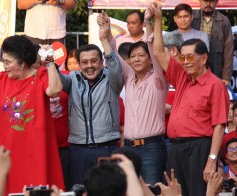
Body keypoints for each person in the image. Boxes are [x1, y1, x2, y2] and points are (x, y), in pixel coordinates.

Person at [151, 2, 229, 195]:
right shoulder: (182, 77)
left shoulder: (215, 84)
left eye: (190, 58)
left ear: (203, 58)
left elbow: (219, 125)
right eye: (182, 58)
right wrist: (158, 19)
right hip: (175, 148)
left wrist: (212, 159)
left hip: (199, 148)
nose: (185, 62)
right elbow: (159, 52)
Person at [0, 35, 64, 193]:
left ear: (23, 62)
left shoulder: (40, 76)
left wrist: (50, 64)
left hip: (36, 151)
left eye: (7, 62)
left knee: (38, 190)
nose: (3, 66)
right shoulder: (3, 79)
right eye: (3, 61)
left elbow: (54, 90)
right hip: (9, 152)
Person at [98, 11, 169, 184]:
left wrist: (149, 20)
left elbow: (155, 50)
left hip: (152, 147)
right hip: (129, 147)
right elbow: (114, 49)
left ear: (150, 59)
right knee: (130, 190)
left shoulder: (158, 79)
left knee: (151, 190)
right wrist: (105, 30)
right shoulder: (129, 78)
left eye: (141, 55)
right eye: (133, 56)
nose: (136, 59)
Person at [58, 20, 123, 185]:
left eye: (94, 61)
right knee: (80, 190)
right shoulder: (72, 79)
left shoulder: (111, 79)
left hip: (107, 147)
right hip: (78, 149)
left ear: (101, 62)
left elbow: (115, 66)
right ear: (78, 65)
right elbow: (56, 83)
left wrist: (103, 40)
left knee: (109, 192)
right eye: (84, 62)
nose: (89, 66)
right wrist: (50, 62)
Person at [191, 0, 234, 83]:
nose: (208, 4)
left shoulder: (224, 21)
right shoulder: (191, 18)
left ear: (216, 2)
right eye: (205, 1)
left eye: (211, 1)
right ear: (199, 1)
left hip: (216, 69)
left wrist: (226, 76)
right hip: (194, 67)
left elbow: (228, 50)